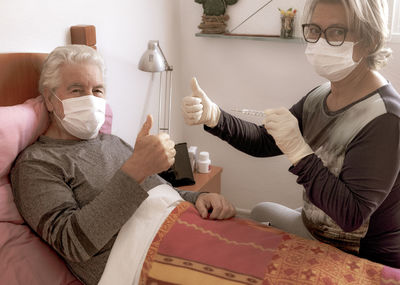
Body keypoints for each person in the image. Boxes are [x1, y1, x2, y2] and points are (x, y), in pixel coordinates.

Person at [181, 0, 400, 268]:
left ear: (370, 40)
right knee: (260, 212)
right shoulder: (323, 95)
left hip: (359, 255)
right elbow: (265, 141)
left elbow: (351, 216)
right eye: (314, 30)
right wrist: (215, 116)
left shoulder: (385, 118)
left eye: (335, 33)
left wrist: (299, 152)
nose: (319, 42)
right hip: (318, 228)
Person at [10, 45, 236, 285]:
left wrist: (196, 199)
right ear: (49, 99)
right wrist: (136, 168)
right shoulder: (37, 164)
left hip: (184, 228)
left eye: (97, 90)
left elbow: (154, 191)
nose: (90, 99)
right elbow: (72, 243)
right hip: (141, 261)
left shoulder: (112, 142)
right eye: (76, 90)